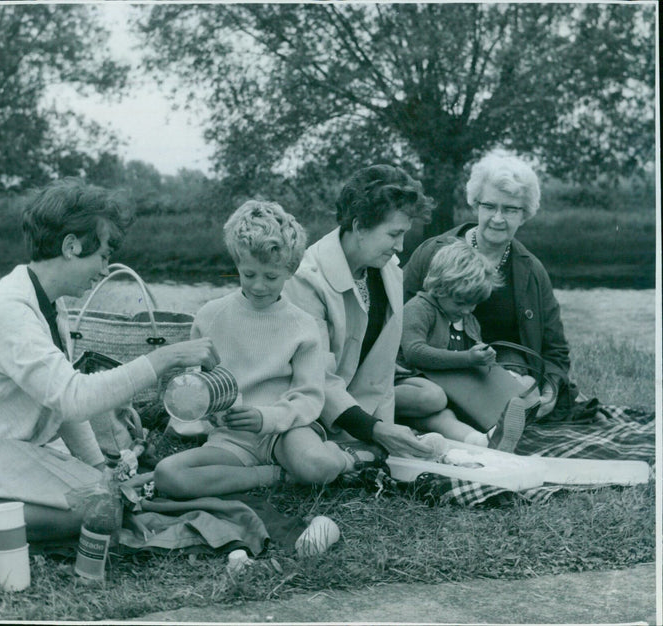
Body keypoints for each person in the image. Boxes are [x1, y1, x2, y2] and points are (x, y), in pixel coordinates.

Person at [0, 178, 219, 569]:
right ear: (71, 247)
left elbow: (62, 406)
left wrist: (100, 470)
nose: (105, 269)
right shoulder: (10, 309)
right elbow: (74, 395)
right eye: (102, 256)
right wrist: (161, 360)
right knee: (90, 511)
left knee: (102, 501)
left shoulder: (50, 306)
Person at [155, 201, 367, 498]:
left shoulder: (304, 325)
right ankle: (272, 475)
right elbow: (199, 387)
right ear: (237, 263)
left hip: (286, 433)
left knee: (319, 466)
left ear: (291, 270)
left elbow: (309, 397)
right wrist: (209, 413)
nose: (258, 286)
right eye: (248, 274)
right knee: (168, 475)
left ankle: (347, 457)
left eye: (271, 277)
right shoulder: (210, 316)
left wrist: (266, 418)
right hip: (232, 440)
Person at [282, 164, 437, 461]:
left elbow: (382, 374)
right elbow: (315, 378)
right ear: (359, 226)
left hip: (363, 423)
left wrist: (390, 442)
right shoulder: (306, 279)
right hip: (307, 412)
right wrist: (376, 431)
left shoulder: (391, 272)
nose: (401, 247)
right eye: (394, 234)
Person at [403, 151, 573, 421]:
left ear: (524, 214)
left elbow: (555, 350)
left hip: (503, 375)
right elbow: (395, 319)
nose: (497, 218)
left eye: (510, 209)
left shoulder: (532, 272)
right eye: (490, 206)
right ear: (476, 205)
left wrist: (550, 391)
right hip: (435, 373)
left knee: (526, 386)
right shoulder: (432, 253)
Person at [399, 240, 530, 451]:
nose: (468, 310)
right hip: (409, 382)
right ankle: (381, 410)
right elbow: (414, 353)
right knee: (433, 398)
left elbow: (472, 358)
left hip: (450, 393)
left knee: (444, 415)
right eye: (460, 303)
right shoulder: (419, 309)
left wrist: (486, 359)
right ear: (439, 289)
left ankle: (485, 442)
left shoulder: (468, 320)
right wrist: (468, 358)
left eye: (474, 304)